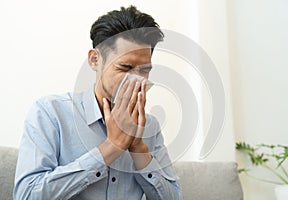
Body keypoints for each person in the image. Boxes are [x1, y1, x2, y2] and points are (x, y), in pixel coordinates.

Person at [14, 5, 182, 200]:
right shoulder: (50, 113)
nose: (136, 80)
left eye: (144, 70)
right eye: (125, 67)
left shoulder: (149, 126)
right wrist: (111, 147)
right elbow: (26, 195)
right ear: (95, 60)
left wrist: (139, 149)